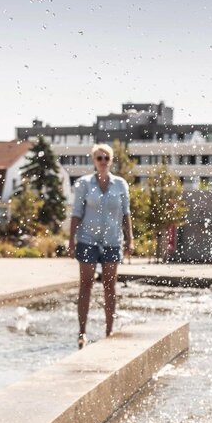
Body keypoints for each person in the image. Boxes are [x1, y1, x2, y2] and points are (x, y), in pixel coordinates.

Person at [68, 143, 134, 349]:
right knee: (86, 285)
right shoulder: (84, 184)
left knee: (109, 286)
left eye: (107, 158)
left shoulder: (120, 184)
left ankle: (109, 330)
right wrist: (71, 240)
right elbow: (76, 213)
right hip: (88, 240)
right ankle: (82, 332)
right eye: (99, 158)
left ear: (111, 160)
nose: (103, 161)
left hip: (112, 241)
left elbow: (126, 213)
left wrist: (130, 238)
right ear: (94, 161)